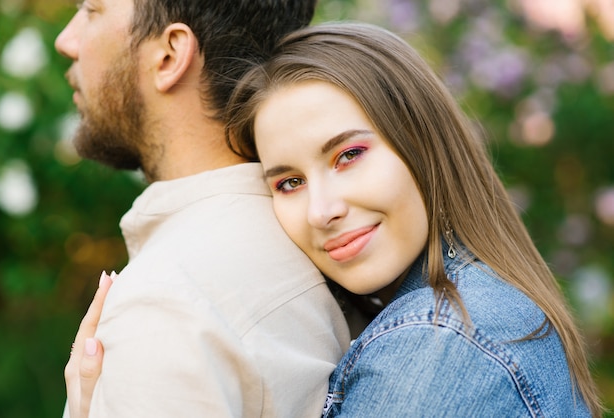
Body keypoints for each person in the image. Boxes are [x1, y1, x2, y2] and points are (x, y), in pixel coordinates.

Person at [66, 22, 604, 416]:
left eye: (348, 156)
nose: (323, 211)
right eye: (289, 183)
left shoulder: (434, 348)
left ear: (424, 144)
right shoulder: (469, 309)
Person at [54, 1, 351, 417]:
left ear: (170, 56)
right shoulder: (325, 243)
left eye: (90, 9)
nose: (66, 40)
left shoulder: (164, 306)